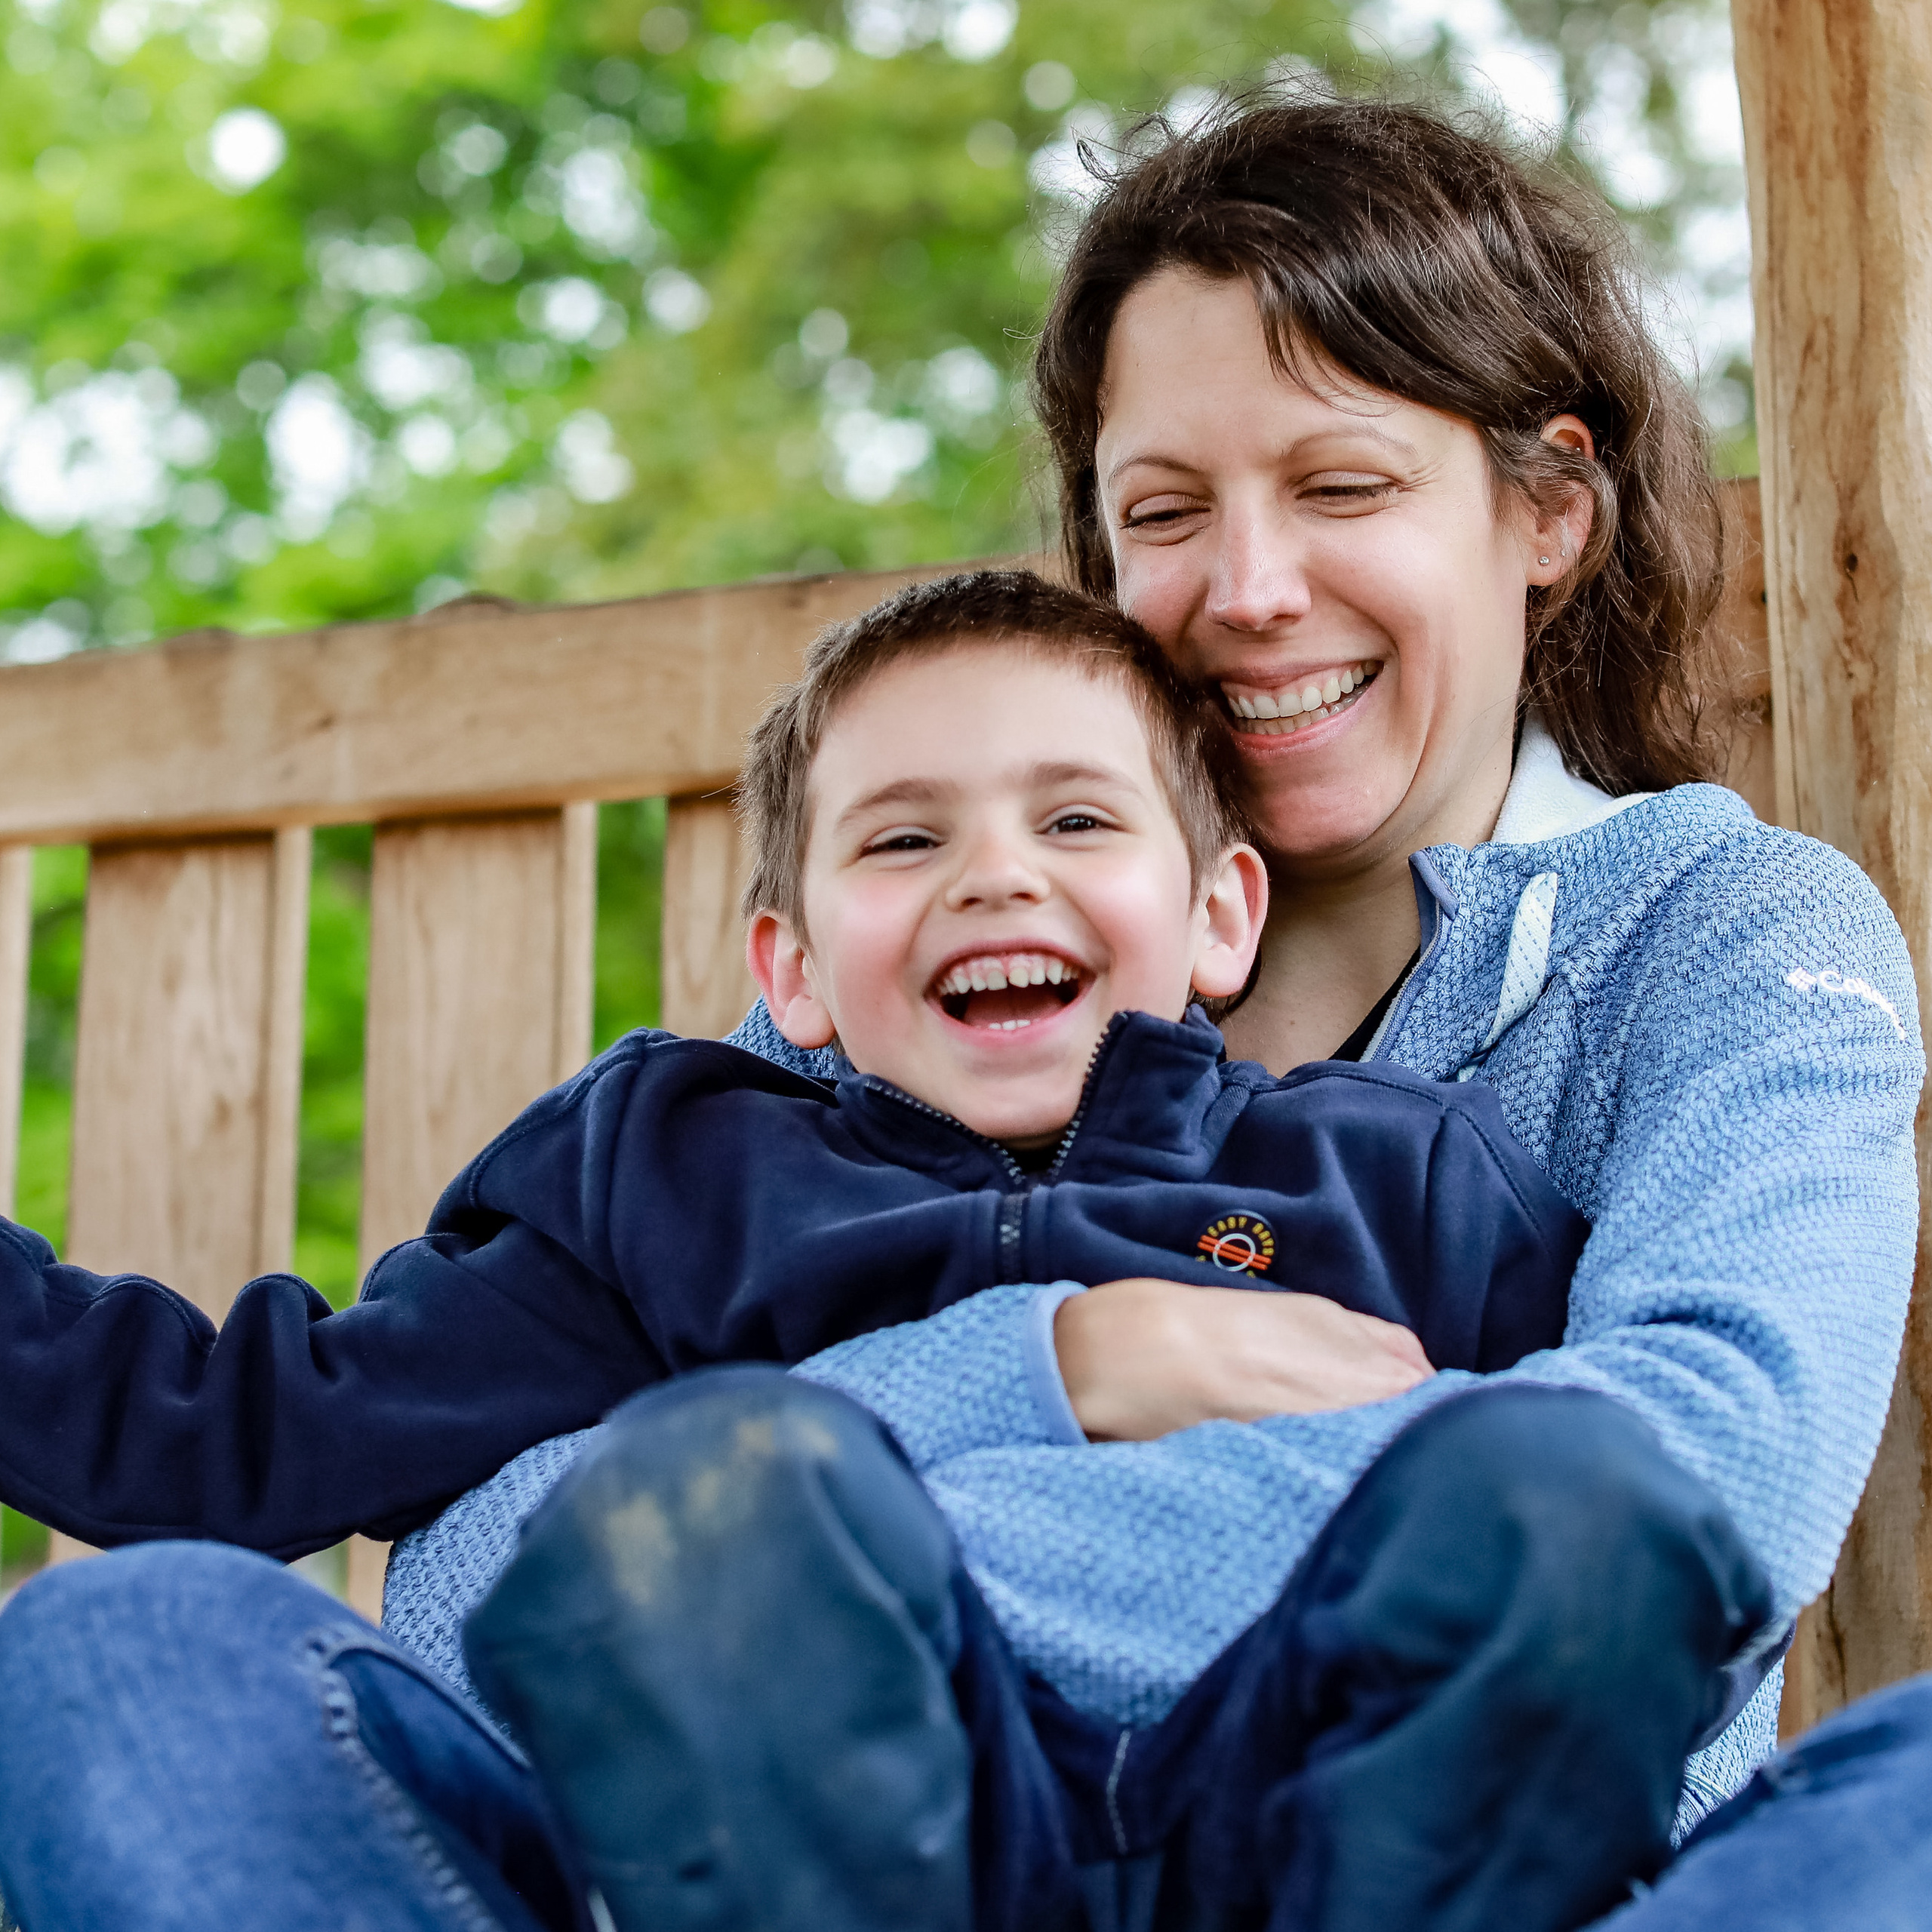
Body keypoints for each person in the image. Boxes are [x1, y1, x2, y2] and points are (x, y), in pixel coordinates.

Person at [0, 83, 1924, 1932]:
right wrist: (1059, 1366)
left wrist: (847, 1563)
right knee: (124, 1655)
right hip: (820, 1858)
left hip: (1419, 1867)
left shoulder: (1709, 939)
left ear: (1543, 513)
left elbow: (1660, 1515)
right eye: (1163, 509)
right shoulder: (840, 1055)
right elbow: (511, 1584)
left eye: (1342, 483)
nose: (1248, 588)